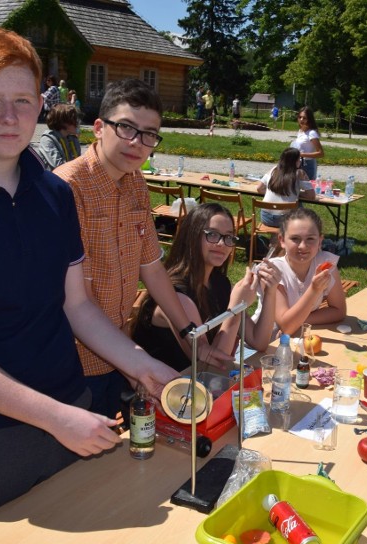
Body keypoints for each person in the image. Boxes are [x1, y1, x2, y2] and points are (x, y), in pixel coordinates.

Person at [0, 27, 179, 540]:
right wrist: (54, 417)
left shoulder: (53, 195)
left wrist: (142, 364)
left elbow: (76, 305)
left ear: (40, 104)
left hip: (69, 409)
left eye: (23, 100)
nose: (10, 116)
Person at [54, 78, 233, 421]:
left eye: (149, 134)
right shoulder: (68, 188)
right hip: (75, 360)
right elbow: (79, 299)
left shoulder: (136, 182)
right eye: (126, 128)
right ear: (98, 128)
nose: (138, 143)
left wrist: (193, 338)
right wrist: (135, 362)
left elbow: (152, 267)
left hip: (121, 349)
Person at [132, 203, 282, 371]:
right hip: (169, 390)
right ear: (192, 236)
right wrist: (236, 308)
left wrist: (270, 291)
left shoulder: (219, 283)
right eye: (212, 234)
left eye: (228, 237)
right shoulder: (177, 295)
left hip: (198, 389)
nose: (221, 243)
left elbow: (258, 341)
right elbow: (210, 367)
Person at [271, 208, 347, 337]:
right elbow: (286, 327)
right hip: (267, 342)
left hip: (301, 336)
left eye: (310, 239)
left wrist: (298, 321)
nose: (303, 246)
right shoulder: (274, 270)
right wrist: (314, 289)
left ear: (320, 241)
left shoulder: (326, 263)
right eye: (295, 239)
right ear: (282, 240)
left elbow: (339, 311)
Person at [256, 147, 312, 227]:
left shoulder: (273, 170)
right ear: (295, 161)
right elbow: (311, 196)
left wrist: (273, 192)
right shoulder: (300, 173)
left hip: (266, 217)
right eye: (299, 159)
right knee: (300, 207)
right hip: (285, 220)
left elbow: (259, 188)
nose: (300, 161)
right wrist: (295, 193)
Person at [37, 103, 82, 169]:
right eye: (74, 120)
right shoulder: (47, 139)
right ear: (64, 122)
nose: (78, 123)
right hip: (53, 178)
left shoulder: (73, 139)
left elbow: (80, 164)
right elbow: (59, 166)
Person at [291, 106, 324, 181]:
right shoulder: (301, 131)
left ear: (309, 119)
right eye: (300, 117)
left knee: (307, 190)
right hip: (298, 163)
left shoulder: (312, 133)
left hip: (308, 165)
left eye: (304, 118)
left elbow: (321, 153)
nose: (301, 120)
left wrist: (301, 154)